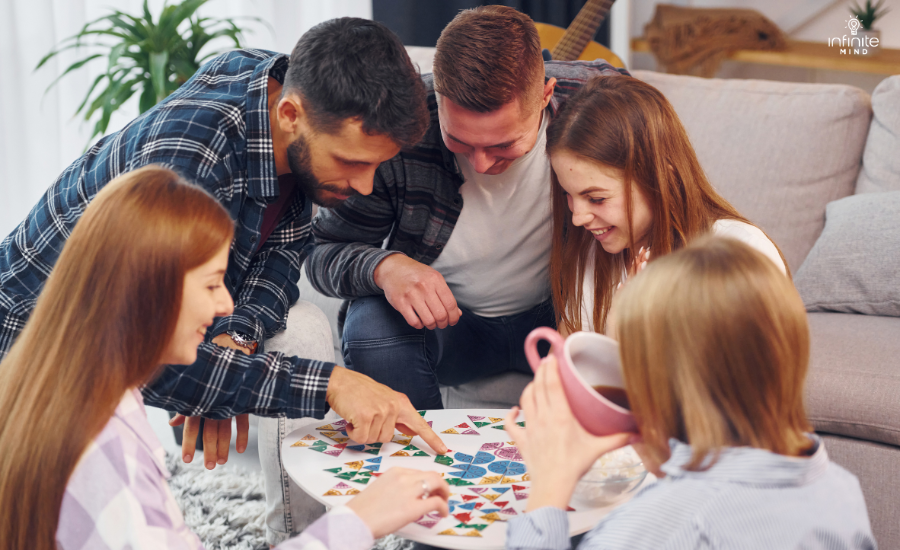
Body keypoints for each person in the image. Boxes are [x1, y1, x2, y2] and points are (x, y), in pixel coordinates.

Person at [0, 17, 447, 546]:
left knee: (299, 328)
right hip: (33, 344)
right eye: (350, 162)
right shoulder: (190, 156)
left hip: (124, 331)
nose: (365, 185)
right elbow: (144, 346)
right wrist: (330, 383)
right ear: (289, 116)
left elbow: (284, 257)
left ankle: (302, 531)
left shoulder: (277, 88)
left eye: (377, 166)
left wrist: (233, 342)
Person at [306, 5, 628, 410]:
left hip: (569, 317)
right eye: (459, 140)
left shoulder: (602, 101)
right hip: (451, 327)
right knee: (371, 327)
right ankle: (424, 465)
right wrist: (384, 267)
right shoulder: (399, 130)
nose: (481, 164)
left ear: (546, 95)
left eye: (503, 145)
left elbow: (667, 197)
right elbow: (322, 252)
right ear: (437, 100)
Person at [504, 236, 876, 549]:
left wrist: (549, 489)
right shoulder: (840, 489)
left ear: (657, 392)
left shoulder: (653, 528)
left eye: (628, 368)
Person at [545, 75, 788, 338]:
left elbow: (751, 376)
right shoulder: (595, 253)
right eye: (567, 195)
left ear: (661, 177)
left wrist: (627, 334)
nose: (578, 218)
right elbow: (566, 359)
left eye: (597, 198)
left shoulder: (743, 253)